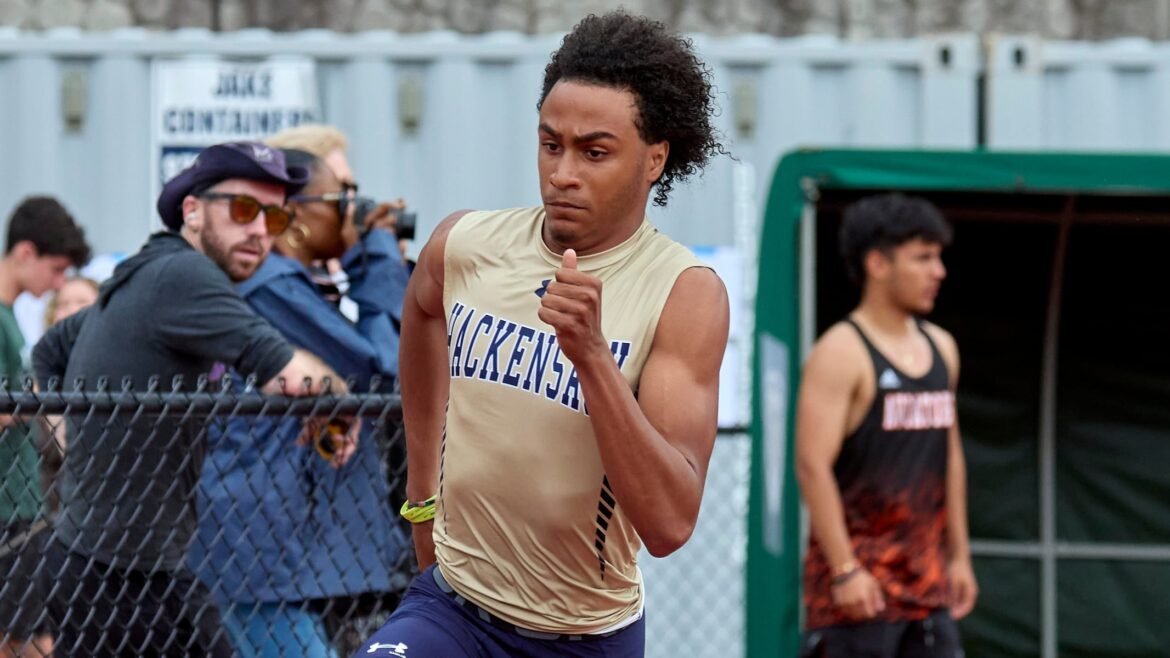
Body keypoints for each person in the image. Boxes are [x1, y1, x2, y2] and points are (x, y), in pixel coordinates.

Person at [359, 11, 730, 658]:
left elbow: (670, 523)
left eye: (594, 152)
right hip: (451, 611)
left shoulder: (683, 293)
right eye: (550, 144)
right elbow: (421, 316)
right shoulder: (464, 245)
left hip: (582, 637)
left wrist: (591, 356)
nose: (562, 173)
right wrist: (423, 502)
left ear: (655, 159)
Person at [32, 141, 351, 657]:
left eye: (274, 217)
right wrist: (338, 402)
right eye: (244, 209)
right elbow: (290, 375)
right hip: (114, 578)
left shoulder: (146, 272)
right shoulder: (182, 276)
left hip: (131, 567)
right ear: (193, 210)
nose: (259, 231)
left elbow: (50, 350)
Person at [190, 147, 412, 658]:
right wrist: (375, 253)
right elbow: (382, 369)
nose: (351, 213)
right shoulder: (273, 286)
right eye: (340, 199)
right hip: (260, 544)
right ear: (294, 216)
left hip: (275, 538)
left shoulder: (284, 284)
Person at [795, 193, 978, 658]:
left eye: (939, 257)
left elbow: (949, 456)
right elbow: (811, 466)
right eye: (923, 258)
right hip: (860, 596)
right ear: (877, 263)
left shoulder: (943, 348)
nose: (939, 271)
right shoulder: (841, 351)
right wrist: (844, 570)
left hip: (928, 588)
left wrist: (959, 557)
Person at [0, 196, 90, 658]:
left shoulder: (11, 317)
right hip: (7, 509)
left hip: (20, 505)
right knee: (34, 640)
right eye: (56, 270)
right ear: (25, 253)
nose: (57, 283)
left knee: (28, 636)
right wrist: (34, 394)